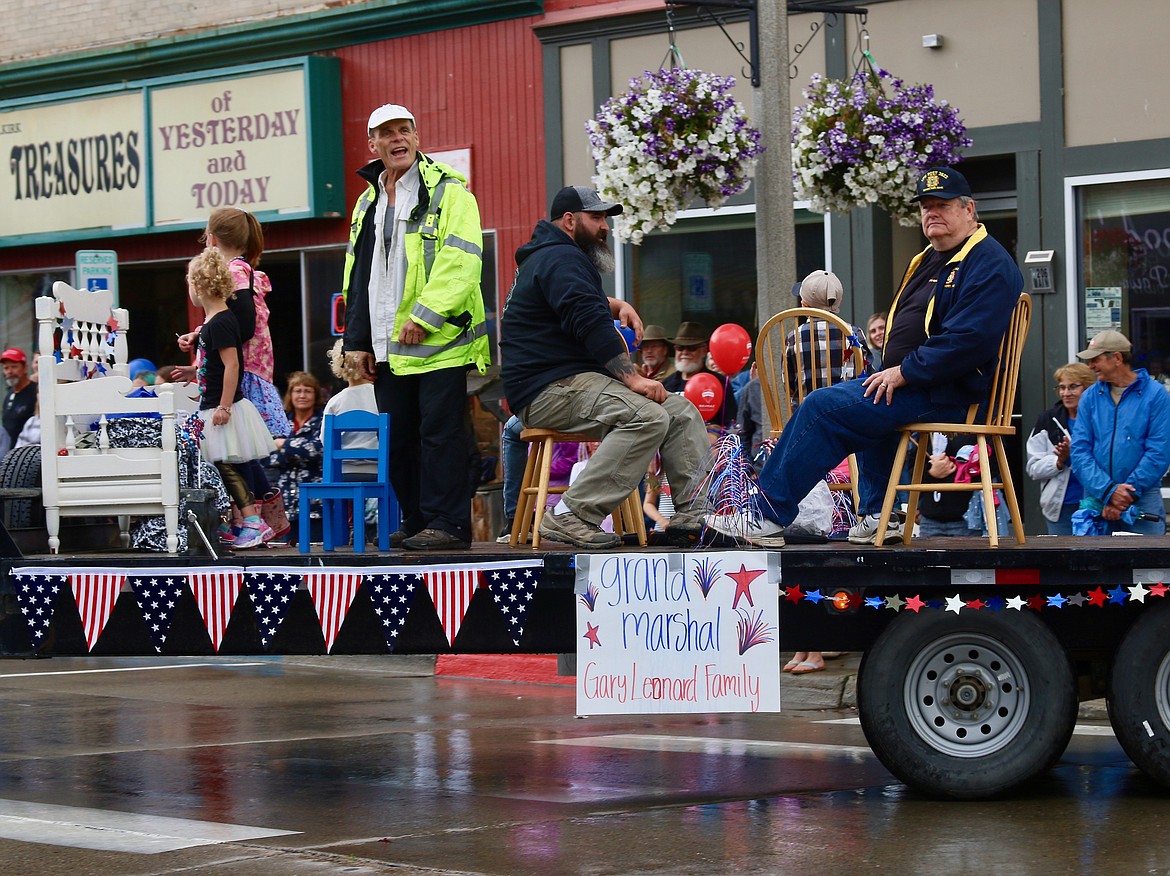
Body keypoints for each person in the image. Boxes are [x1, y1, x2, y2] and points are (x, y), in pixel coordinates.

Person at [710, 166, 1023, 547]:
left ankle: (768, 513)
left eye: (942, 205)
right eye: (925, 207)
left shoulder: (988, 262)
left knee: (822, 406)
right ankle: (880, 515)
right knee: (866, 400)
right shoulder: (927, 258)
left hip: (948, 391)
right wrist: (888, 371)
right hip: (917, 382)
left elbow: (968, 340)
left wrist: (902, 373)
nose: (931, 213)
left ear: (970, 209)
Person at [499, 185, 711, 549]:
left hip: (566, 383)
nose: (605, 227)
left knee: (681, 410)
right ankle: (572, 515)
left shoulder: (555, 257)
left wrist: (614, 304)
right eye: (596, 217)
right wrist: (630, 377)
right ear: (569, 220)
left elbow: (575, 303)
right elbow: (588, 322)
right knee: (647, 416)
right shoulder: (561, 258)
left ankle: (693, 517)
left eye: (605, 218)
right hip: (548, 389)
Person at [342, 103, 489, 551]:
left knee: (440, 434)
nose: (397, 139)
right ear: (373, 145)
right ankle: (418, 519)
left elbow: (461, 260)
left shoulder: (450, 193)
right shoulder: (366, 201)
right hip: (387, 347)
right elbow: (357, 271)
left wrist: (425, 316)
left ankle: (449, 524)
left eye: (404, 131)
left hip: (440, 339)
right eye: (387, 134)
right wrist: (358, 341)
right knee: (400, 438)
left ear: (417, 138)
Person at [175, 208, 291, 540]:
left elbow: (238, 326)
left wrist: (205, 340)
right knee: (234, 451)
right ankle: (252, 519)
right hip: (244, 371)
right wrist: (200, 341)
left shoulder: (235, 273)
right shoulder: (238, 272)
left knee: (235, 451)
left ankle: (260, 519)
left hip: (245, 374)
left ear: (210, 239)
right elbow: (228, 325)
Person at [185, 248, 277, 550]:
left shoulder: (221, 322)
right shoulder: (213, 323)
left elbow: (232, 365)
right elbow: (214, 364)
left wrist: (223, 406)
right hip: (213, 404)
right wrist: (192, 372)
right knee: (218, 466)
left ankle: (252, 521)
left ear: (198, 287)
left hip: (221, 407)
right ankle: (234, 521)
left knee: (226, 466)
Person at [1069, 330, 1170, 535]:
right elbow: (1079, 451)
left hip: (1142, 499)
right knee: (1093, 566)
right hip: (1097, 500)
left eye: (1095, 359)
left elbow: (1159, 451)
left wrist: (1124, 495)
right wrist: (1108, 491)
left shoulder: (1156, 394)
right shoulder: (1089, 397)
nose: (1090, 366)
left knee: (1147, 565)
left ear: (1117, 358)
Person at [1025, 363, 1095, 535]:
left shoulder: (1100, 417)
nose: (1066, 393)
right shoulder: (1048, 420)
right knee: (1063, 559)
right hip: (1060, 508)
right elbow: (1033, 468)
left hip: (1096, 504)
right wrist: (1059, 461)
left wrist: (1078, 454)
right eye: (1061, 387)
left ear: (1088, 388)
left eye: (1073, 387)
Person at [787, 269, 873, 398]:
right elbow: (867, 375)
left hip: (808, 415)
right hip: (847, 415)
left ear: (804, 305)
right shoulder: (854, 333)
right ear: (840, 302)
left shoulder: (794, 337)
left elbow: (789, 386)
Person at [268, 371, 325, 545]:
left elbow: (318, 450)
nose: (302, 395)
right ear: (290, 395)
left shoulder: (323, 421)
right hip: (285, 504)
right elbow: (265, 456)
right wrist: (299, 450)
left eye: (307, 391)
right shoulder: (280, 422)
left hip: (315, 505)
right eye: (297, 391)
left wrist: (282, 445)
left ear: (315, 395)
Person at [662, 322, 738, 430]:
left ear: (703, 351)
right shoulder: (665, 385)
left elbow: (731, 423)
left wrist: (715, 431)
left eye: (691, 348)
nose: (685, 352)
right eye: (680, 348)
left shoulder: (720, 383)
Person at [2, 347, 36, 453]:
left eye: (14, 367)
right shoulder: (9, 394)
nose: (10, 372)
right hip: (8, 456)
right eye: (6, 368)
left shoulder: (36, 392)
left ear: (25, 368)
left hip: (27, 455)